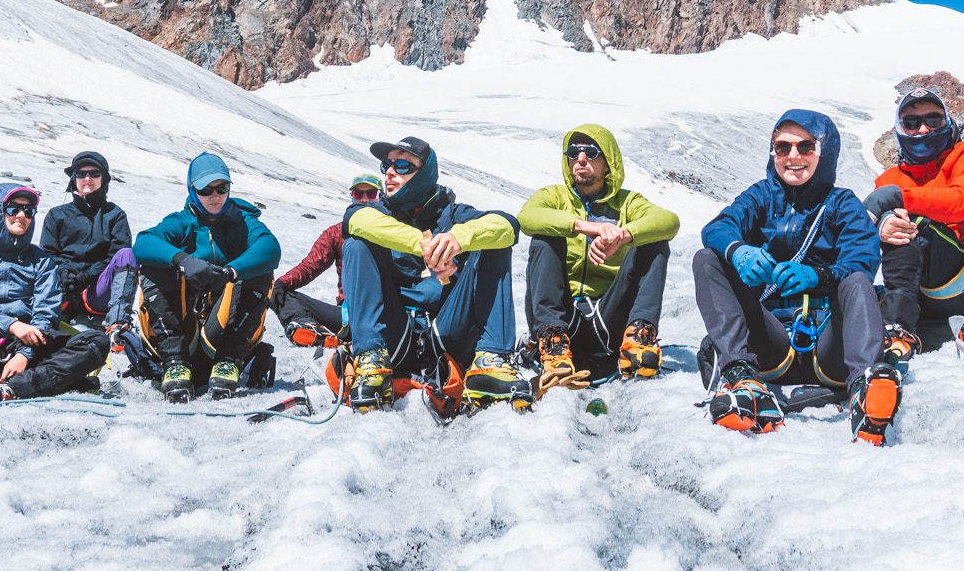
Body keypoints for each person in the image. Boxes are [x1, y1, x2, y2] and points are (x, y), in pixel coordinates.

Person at [692, 109, 901, 445]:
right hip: (770, 344)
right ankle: (743, 377)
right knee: (707, 259)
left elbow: (862, 259)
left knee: (857, 282)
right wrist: (737, 251)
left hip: (830, 345)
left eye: (805, 147)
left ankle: (866, 386)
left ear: (825, 152)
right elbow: (717, 227)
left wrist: (819, 275)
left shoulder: (841, 204)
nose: (793, 157)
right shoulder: (760, 197)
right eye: (782, 147)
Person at [339, 136, 526, 412]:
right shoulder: (375, 213)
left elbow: (507, 225)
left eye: (402, 165)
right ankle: (371, 360)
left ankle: (492, 362)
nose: (390, 172)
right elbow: (355, 220)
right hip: (395, 336)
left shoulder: (451, 215)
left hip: (446, 332)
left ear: (424, 174)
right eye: (387, 165)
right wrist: (425, 246)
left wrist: (457, 239)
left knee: (493, 241)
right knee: (357, 244)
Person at [517, 125, 679, 388]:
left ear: (608, 164)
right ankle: (552, 341)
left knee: (654, 241)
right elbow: (527, 217)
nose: (581, 159)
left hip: (609, 316)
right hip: (562, 316)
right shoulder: (554, 197)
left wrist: (623, 235)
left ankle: (639, 337)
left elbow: (669, 221)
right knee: (544, 237)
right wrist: (585, 227)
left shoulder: (628, 203)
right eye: (574, 153)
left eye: (591, 153)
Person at [0, 182, 110, 413]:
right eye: (13, 208)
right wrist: (12, 325)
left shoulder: (41, 261)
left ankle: (12, 389)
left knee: (96, 342)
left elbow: (46, 313)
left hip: (26, 345)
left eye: (28, 210)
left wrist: (25, 354)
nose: (22, 215)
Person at [864, 85, 964, 354]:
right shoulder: (889, 181)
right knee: (897, 225)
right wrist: (884, 222)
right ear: (900, 130)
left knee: (915, 224)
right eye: (911, 122)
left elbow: (961, 202)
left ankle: (896, 330)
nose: (923, 129)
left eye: (933, 120)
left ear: (948, 123)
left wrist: (897, 200)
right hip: (925, 295)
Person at [132, 153, 280, 401]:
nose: (215, 196)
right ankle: (175, 361)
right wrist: (183, 261)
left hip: (223, 335)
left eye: (222, 188)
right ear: (192, 190)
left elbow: (270, 248)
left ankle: (228, 361)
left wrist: (229, 272)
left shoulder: (244, 222)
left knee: (258, 270)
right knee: (154, 265)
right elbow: (143, 243)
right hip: (181, 333)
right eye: (206, 189)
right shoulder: (181, 222)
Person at [269, 172, 382, 348]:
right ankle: (308, 329)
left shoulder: (395, 232)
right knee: (280, 293)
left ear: (380, 197)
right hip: (347, 317)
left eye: (371, 194)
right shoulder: (336, 233)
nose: (365, 199)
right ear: (352, 198)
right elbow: (310, 265)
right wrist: (281, 284)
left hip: (383, 317)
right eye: (359, 194)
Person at [38, 150, 137, 342]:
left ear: (104, 179)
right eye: (81, 174)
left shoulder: (115, 215)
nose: (87, 178)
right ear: (73, 179)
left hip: (97, 290)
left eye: (94, 173)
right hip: (63, 288)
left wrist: (86, 275)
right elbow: (48, 253)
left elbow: (116, 255)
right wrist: (65, 273)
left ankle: (117, 326)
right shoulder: (56, 215)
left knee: (127, 255)